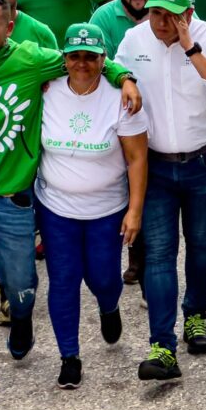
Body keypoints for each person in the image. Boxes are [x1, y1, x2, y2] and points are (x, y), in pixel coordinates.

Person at [0, 0, 138, 408]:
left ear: (9, 26)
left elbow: (87, 59)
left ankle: (20, 315)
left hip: (12, 201)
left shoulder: (32, 60)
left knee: (21, 285)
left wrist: (126, 76)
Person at [115, 0, 206, 380]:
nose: (161, 23)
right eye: (155, 14)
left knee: (201, 243)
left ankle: (196, 316)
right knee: (159, 253)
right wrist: (125, 78)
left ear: (189, 14)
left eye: (171, 16)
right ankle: (162, 345)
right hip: (155, 164)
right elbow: (115, 68)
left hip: (203, 162)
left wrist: (191, 47)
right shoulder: (135, 40)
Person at [34, 23, 148, 389]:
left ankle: (109, 306)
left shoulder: (121, 97)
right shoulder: (45, 91)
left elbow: (137, 159)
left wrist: (135, 210)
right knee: (63, 281)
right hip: (56, 207)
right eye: (74, 56)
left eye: (91, 57)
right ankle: (69, 356)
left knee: (103, 277)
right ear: (64, 59)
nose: (82, 64)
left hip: (106, 208)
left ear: (103, 59)